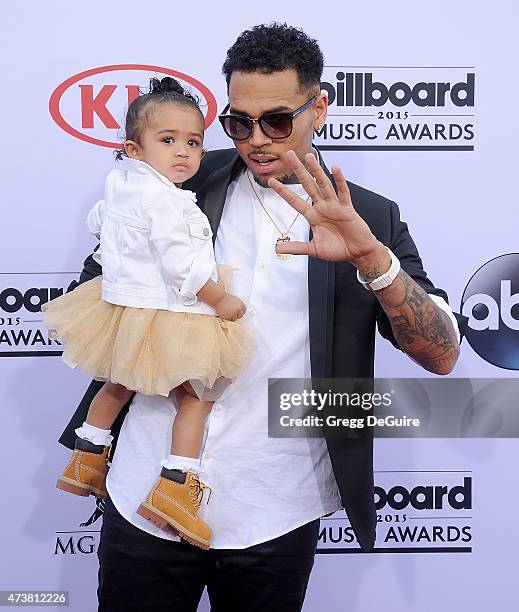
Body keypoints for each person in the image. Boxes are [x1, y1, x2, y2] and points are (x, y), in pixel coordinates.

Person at [58, 23, 466, 612]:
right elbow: (95, 291)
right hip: (145, 490)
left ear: (318, 108)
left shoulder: (369, 215)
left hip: (274, 509)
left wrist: (369, 256)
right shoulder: (177, 176)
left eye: (277, 120)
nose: (257, 139)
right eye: (238, 122)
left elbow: (443, 354)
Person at [44, 76, 251, 550]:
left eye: (194, 142)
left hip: (124, 308)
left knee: (118, 383)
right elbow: (179, 260)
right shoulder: (163, 199)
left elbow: (98, 222)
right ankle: (176, 487)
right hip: (169, 310)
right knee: (197, 397)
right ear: (134, 149)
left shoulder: (121, 184)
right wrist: (220, 298)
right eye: (168, 140)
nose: (184, 153)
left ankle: (88, 458)